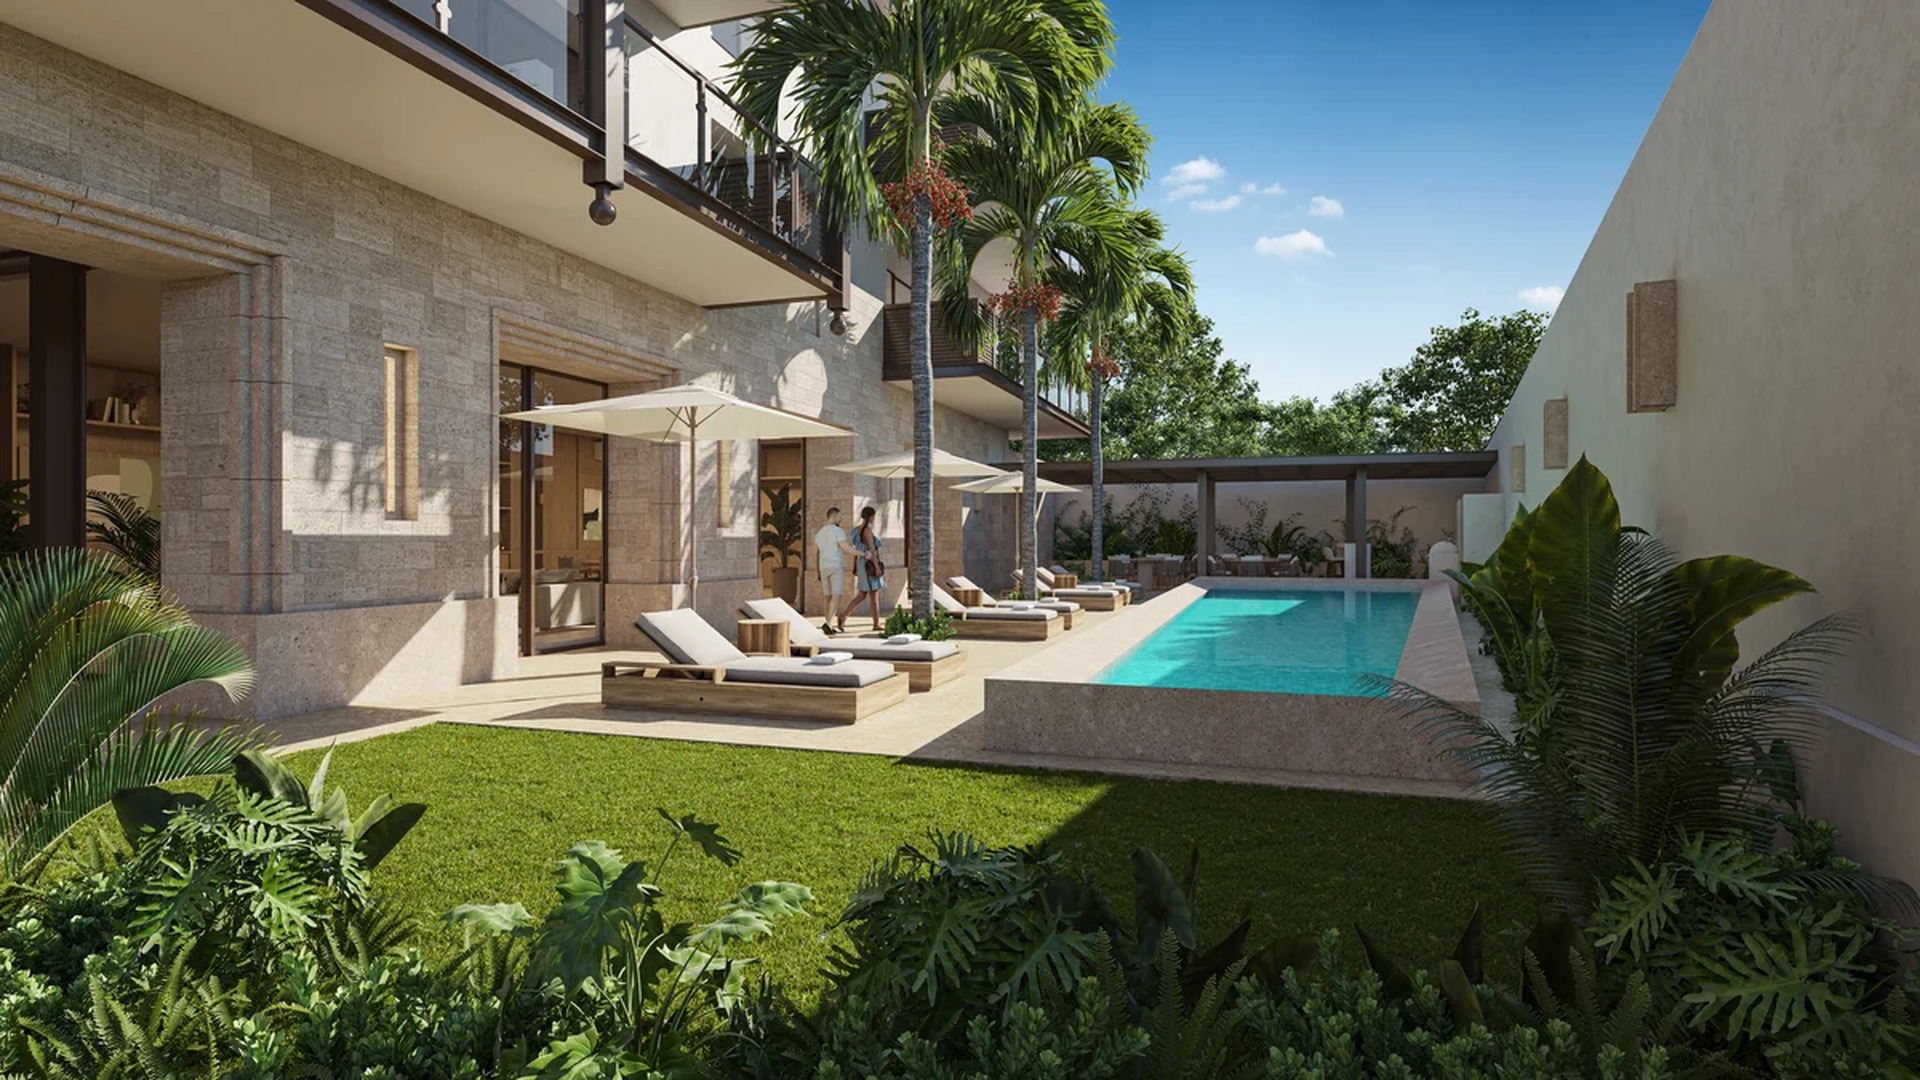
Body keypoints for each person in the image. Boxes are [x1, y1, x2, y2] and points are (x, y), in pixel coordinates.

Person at [838, 504, 886, 633]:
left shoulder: (856, 530)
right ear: (871, 517)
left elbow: (856, 550)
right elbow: (872, 550)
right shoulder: (867, 531)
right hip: (869, 563)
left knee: (862, 595)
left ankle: (843, 616)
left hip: (861, 563)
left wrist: (855, 566)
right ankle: (876, 624)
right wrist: (877, 567)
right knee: (873, 595)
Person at [813, 506, 855, 633]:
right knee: (836, 596)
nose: (841, 519)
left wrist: (817, 571)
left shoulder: (819, 533)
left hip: (823, 567)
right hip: (835, 567)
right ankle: (827, 623)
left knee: (827, 597)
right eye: (840, 516)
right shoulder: (837, 531)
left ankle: (829, 625)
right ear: (834, 516)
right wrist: (861, 553)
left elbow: (817, 554)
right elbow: (846, 548)